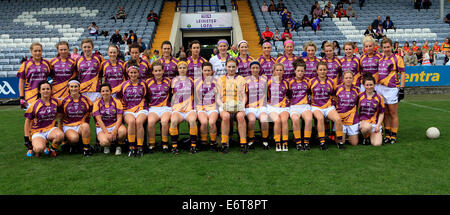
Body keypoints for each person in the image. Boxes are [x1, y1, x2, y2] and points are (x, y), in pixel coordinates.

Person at [24, 81, 64, 157]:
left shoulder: (56, 102)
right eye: (43, 89)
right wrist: (26, 138)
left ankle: (52, 150)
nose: (46, 91)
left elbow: (61, 112)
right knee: (39, 149)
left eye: (48, 89)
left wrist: (58, 121)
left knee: (60, 135)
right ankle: (37, 147)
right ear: (39, 91)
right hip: (37, 131)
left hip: (51, 129)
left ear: (51, 90)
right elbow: (27, 121)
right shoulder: (34, 104)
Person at [310, 62, 345, 150]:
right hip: (316, 106)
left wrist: (333, 102)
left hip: (328, 106)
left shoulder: (331, 81)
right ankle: (322, 142)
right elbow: (307, 93)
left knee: (337, 119)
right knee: (320, 118)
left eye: (324, 69)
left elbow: (334, 94)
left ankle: (340, 141)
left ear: (327, 71)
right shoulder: (311, 81)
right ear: (317, 71)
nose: (322, 71)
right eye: (320, 69)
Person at [377, 37, 405, 145]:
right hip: (380, 88)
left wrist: (402, 88)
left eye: (388, 47)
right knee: (385, 112)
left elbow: (402, 73)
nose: (386, 49)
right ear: (381, 48)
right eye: (384, 47)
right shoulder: (379, 58)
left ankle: (394, 135)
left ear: (391, 47)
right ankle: (387, 134)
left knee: (393, 113)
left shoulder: (397, 58)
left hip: (392, 88)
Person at [216, 58, 247, 153]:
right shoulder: (220, 80)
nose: (231, 69)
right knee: (225, 117)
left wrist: (241, 105)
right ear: (226, 67)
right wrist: (223, 105)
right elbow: (217, 97)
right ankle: (224, 143)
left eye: (233, 66)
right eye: (229, 66)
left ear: (237, 67)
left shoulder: (241, 79)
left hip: (238, 105)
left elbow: (244, 95)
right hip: (225, 105)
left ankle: (243, 143)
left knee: (241, 116)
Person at [117, 64, 148, 157]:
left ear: (138, 73)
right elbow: (119, 97)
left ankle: (140, 147)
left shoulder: (143, 84)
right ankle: (131, 147)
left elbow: (147, 96)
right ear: (128, 74)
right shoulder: (124, 84)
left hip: (142, 109)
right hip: (128, 110)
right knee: (131, 122)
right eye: (131, 73)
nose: (133, 74)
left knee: (139, 122)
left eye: (135, 72)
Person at [58, 79, 93, 156]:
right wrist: (62, 139)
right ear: (68, 88)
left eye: (76, 86)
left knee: (86, 126)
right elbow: (60, 119)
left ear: (79, 88)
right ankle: (70, 144)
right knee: (74, 138)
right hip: (68, 126)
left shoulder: (86, 100)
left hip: (81, 125)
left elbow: (89, 116)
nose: (74, 89)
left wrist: (85, 131)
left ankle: (86, 149)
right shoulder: (63, 101)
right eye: (72, 87)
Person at [169, 61, 198, 154]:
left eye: (184, 68)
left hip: (189, 108)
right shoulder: (173, 80)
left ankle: (193, 146)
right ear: (177, 69)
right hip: (178, 109)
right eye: (180, 68)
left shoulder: (192, 80)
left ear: (187, 69)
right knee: (173, 121)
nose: (182, 70)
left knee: (193, 121)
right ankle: (174, 147)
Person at [93, 83, 127, 155]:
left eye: (107, 91)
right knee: (104, 142)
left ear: (111, 92)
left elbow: (120, 118)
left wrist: (114, 131)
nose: (105, 93)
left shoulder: (117, 101)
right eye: (103, 91)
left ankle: (118, 146)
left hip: (115, 124)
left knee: (123, 131)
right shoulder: (97, 103)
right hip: (102, 127)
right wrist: (106, 132)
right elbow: (99, 120)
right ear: (100, 92)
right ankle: (108, 146)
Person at [146, 61, 172, 153]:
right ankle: (152, 144)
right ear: (152, 72)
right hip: (153, 108)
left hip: (166, 107)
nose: (158, 73)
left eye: (159, 70)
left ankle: (165, 144)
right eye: (155, 71)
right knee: (151, 122)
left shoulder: (168, 81)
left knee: (164, 122)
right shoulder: (148, 82)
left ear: (163, 71)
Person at [289, 58, 313, 151]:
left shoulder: (308, 81)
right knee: (295, 120)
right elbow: (286, 93)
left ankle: (306, 143)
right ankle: (298, 143)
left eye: (302, 71)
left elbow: (311, 92)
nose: (300, 73)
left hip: (305, 106)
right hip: (294, 107)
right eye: (298, 71)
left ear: (305, 71)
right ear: (295, 71)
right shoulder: (289, 82)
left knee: (309, 119)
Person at [17, 42, 51, 109]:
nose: (38, 53)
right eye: (35, 51)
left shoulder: (47, 63)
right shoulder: (26, 64)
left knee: (45, 117)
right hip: (30, 95)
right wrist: (21, 97)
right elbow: (21, 81)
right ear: (31, 51)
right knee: (31, 118)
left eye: (39, 51)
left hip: (44, 95)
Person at [245, 61, 270, 149]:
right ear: (250, 69)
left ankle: (265, 140)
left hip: (261, 106)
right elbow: (244, 94)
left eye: (257, 68)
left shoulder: (264, 79)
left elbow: (268, 92)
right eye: (253, 68)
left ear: (260, 69)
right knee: (251, 120)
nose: (255, 70)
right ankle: (251, 140)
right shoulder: (245, 80)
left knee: (264, 119)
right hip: (250, 107)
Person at [194, 62, 219, 151]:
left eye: (209, 70)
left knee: (212, 122)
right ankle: (203, 142)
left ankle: (213, 142)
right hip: (201, 107)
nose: (207, 72)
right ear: (201, 71)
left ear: (212, 71)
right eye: (205, 70)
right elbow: (195, 97)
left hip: (213, 107)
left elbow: (219, 96)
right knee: (204, 122)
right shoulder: (196, 82)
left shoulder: (217, 81)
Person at [267, 63, 290, 151]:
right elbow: (266, 94)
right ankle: (277, 142)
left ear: (283, 71)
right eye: (277, 70)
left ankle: (285, 142)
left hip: (284, 107)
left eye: (281, 70)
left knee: (284, 120)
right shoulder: (269, 82)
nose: (279, 72)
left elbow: (290, 94)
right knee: (277, 120)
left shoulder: (286, 82)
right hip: (272, 107)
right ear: (274, 71)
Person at [358, 74, 385, 146]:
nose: (369, 87)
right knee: (366, 127)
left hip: (374, 124)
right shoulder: (360, 96)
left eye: (371, 85)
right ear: (363, 85)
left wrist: (378, 126)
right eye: (367, 85)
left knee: (377, 144)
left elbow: (381, 113)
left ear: (374, 85)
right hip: (363, 124)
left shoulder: (379, 98)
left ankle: (369, 135)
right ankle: (364, 136)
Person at [75, 38, 104, 103]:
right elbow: (76, 74)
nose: (87, 49)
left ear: (92, 47)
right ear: (81, 48)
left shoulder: (99, 58)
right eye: (85, 47)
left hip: (96, 91)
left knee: (95, 112)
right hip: (82, 91)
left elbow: (104, 71)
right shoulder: (78, 60)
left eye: (89, 47)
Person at [335, 71, 360, 146]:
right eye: (346, 78)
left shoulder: (357, 90)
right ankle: (344, 135)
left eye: (350, 78)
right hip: (340, 119)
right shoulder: (337, 89)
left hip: (352, 120)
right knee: (340, 141)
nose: (348, 79)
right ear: (343, 79)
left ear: (353, 79)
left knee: (354, 143)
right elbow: (333, 100)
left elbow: (359, 103)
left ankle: (350, 134)